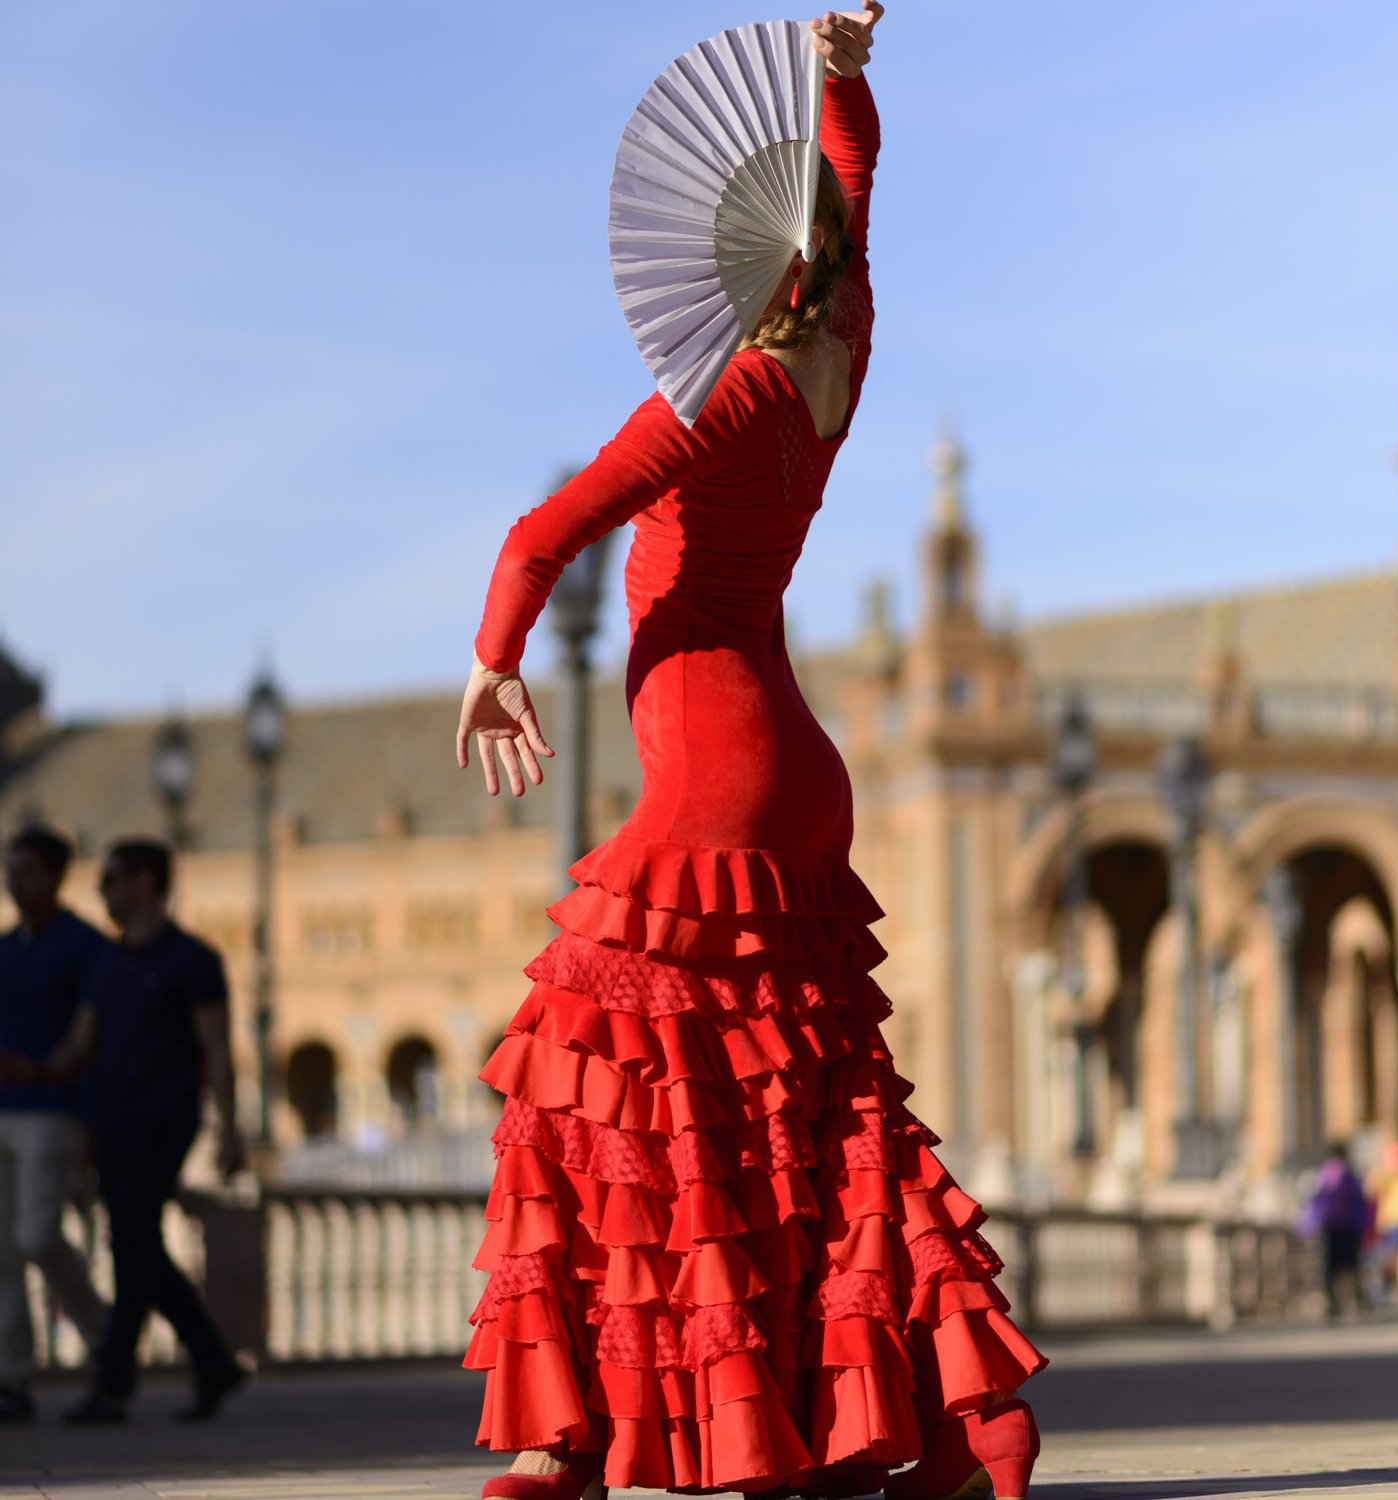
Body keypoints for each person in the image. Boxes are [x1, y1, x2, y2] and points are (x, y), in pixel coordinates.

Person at [454, 8, 1046, 1500]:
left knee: (589, 1069)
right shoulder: (836, 356)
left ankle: (564, 1436)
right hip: (798, 759)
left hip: (711, 747)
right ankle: (901, 1425)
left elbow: (542, 533)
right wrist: (840, 88)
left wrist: (489, 665)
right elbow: (857, 182)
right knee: (811, 1097)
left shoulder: (708, 398)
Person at [2, 838, 248, 1422]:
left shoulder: (193, 959)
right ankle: (214, 1361)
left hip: (166, 1117)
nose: (102, 893)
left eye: (110, 881)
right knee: (137, 1243)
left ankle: (114, 1385)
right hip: (111, 1119)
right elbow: (79, 1044)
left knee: (130, 1237)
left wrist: (231, 1129)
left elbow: (217, 1051)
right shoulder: (106, 963)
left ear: (143, 883)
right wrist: (34, 1070)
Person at [0, 827, 110, 1420]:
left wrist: (82, 1126)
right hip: (1, 1109)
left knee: (37, 1235)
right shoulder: (3, 949)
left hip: (48, 1109)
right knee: (0, 1254)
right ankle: (12, 1376)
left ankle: (103, 1336)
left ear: (56, 876)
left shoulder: (85, 946)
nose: (15, 883)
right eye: (9, 871)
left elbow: (92, 1044)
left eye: (27, 871)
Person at [1304, 1143, 1369, 1319]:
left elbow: (1318, 1202)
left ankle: (1337, 1303)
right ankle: (1353, 1301)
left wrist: (1310, 1223)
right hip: (1344, 1227)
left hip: (1336, 1227)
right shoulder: (1346, 1175)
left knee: (1336, 1268)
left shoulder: (1328, 1175)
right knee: (1349, 1266)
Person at [1364, 1138, 1398, 1306]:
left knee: (1397, 1259)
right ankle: (1387, 1289)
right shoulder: (1384, 1176)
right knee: (1386, 1259)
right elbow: (1372, 1191)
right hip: (1388, 1223)